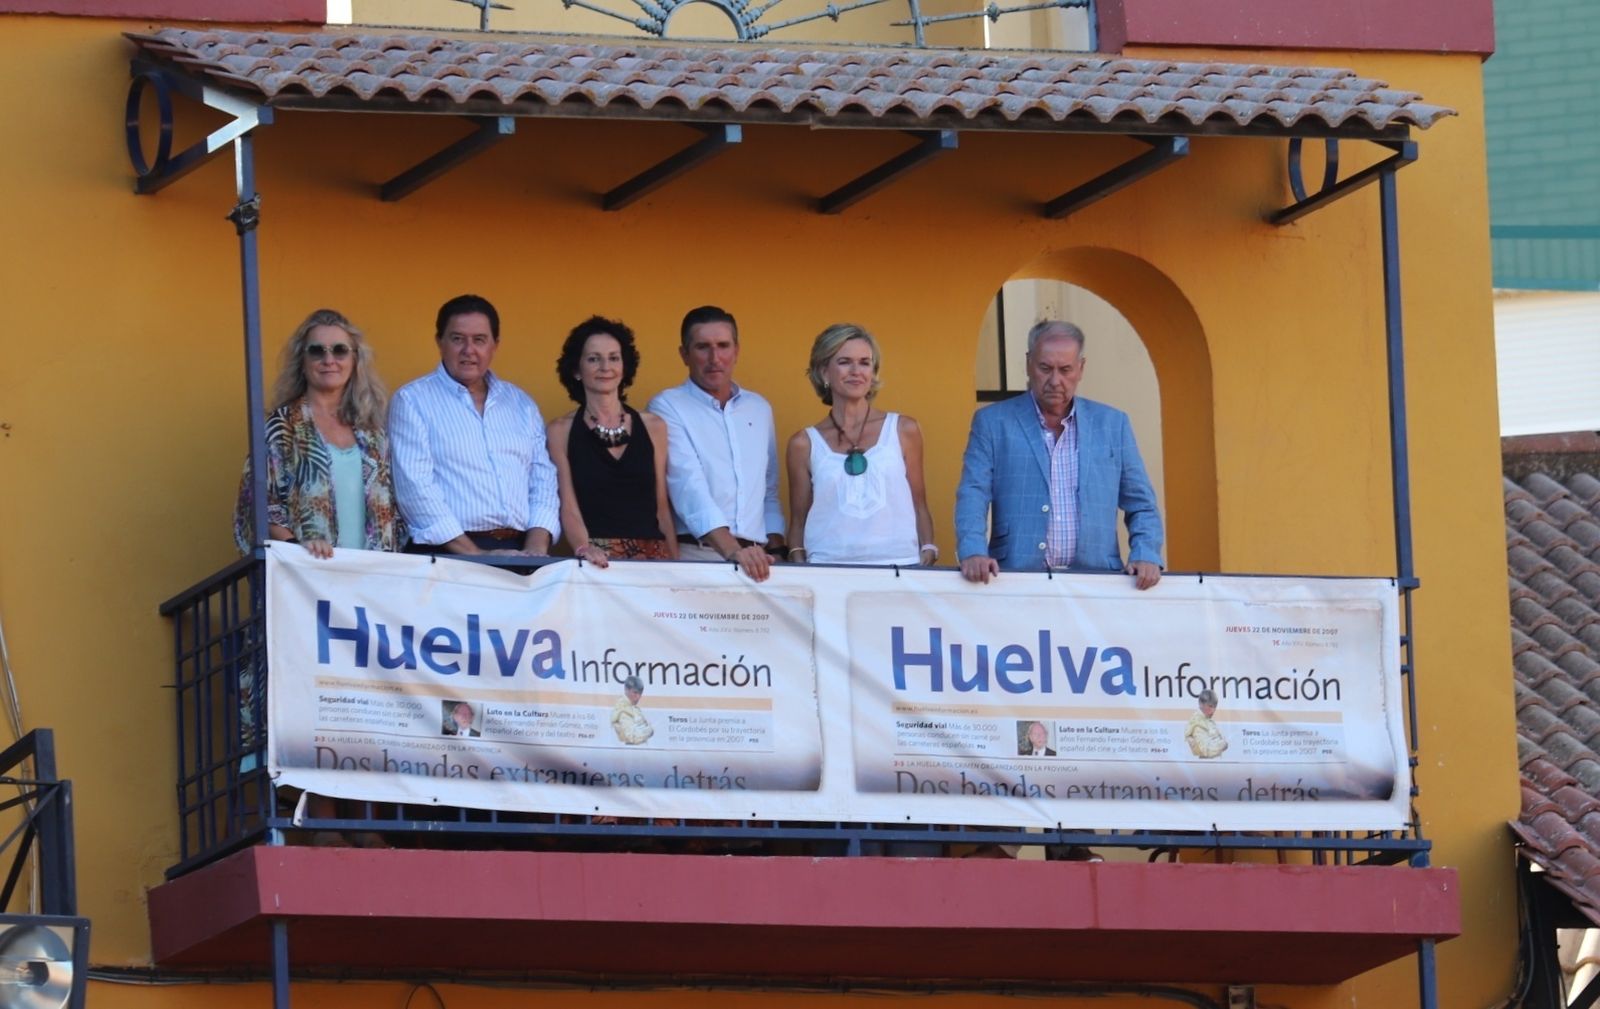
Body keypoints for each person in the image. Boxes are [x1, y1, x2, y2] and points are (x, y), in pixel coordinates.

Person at [955, 320, 1163, 589]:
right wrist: (973, 550)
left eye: (1065, 370)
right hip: (1015, 579)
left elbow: (1141, 503)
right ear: (1029, 364)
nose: (1055, 381)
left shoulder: (1113, 424)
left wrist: (1145, 553)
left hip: (1098, 580)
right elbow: (973, 493)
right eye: (1045, 368)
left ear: (1081, 368)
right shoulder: (993, 422)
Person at [389, 294, 560, 556]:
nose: (469, 350)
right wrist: (477, 556)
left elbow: (543, 480)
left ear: (495, 345)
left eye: (479, 340)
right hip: (447, 555)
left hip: (519, 553)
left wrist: (535, 549)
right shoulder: (412, 400)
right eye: (458, 339)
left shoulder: (521, 404)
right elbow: (415, 490)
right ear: (440, 342)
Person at [233, 308, 405, 556]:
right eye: (317, 351)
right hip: (307, 571)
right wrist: (296, 546)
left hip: (371, 572)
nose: (329, 360)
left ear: (355, 360)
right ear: (302, 362)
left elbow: (396, 510)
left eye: (340, 350)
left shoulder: (373, 432)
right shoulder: (282, 426)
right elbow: (257, 502)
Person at [648, 306, 785, 581]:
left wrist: (777, 548)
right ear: (684, 354)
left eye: (723, 346)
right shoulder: (667, 406)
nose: (715, 358)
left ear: (737, 350)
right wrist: (734, 551)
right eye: (702, 347)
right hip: (698, 555)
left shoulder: (759, 408)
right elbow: (687, 487)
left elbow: (768, 490)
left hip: (759, 560)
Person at [785, 324, 936, 567]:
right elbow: (798, 521)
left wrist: (928, 548)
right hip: (827, 570)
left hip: (899, 568)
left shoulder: (903, 429)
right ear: (824, 372)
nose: (856, 371)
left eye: (865, 363)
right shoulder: (803, 443)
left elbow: (920, 504)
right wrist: (799, 561)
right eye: (844, 362)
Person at [546, 317, 677, 566]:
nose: (605, 367)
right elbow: (568, 508)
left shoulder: (654, 427)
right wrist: (584, 549)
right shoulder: (560, 431)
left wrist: (676, 566)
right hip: (596, 560)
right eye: (593, 359)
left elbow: (661, 508)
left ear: (625, 366)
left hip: (654, 560)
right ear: (576, 369)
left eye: (614, 358)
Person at [611, 675, 655, 745]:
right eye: (635, 692)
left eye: (640, 693)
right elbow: (633, 738)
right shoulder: (623, 711)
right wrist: (650, 730)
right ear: (626, 690)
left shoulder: (633, 708)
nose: (638, 697)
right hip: (630, 750)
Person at [1185, 689, 1228, 758]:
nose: (1213, 710)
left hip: (1214, 762)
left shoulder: (1207, 720)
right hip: (1206, 763)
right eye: (1210, 706)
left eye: (1215, 707)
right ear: (1201, 704)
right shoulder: (1197, 724)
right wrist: (1224, 744)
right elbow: (1208, 751)